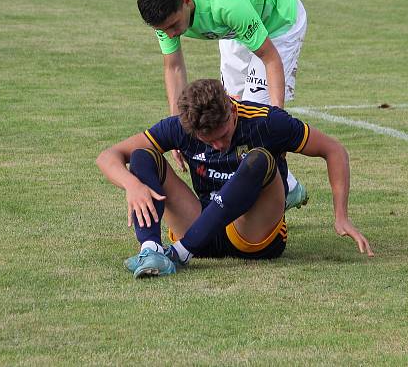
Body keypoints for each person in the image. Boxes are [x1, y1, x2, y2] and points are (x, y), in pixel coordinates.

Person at [95, 79, 374, 278]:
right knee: (143, 155)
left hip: (252, 235)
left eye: (224, 136)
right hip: (200, 227)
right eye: (209, 141)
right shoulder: (181, 127)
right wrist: (132, 184)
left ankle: (179, 254)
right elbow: (108, 156)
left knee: (259, 159)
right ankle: (151, 250)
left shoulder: (267, 122)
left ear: (231, 108)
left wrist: (341, 216)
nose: (218, 146)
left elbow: (334, 150)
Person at [136, 0, 309, 209]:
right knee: (224, 114)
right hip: (234, 28)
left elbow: (270, 58)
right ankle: (290, 187)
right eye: (163, 30)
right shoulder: (163, 2)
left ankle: (276, 193)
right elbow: (173, 68)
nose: (170, 34)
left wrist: (277, 126)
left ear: (186, 1)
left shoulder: (225, 3)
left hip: (278, 21)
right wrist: (178, 130)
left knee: (255, 120)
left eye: (173, 26)